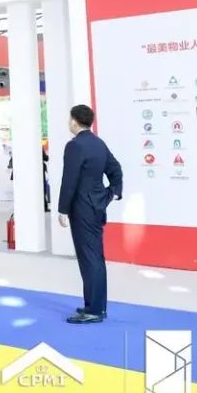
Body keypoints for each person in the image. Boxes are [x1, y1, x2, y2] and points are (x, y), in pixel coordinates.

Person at [58, 104, 123, 325]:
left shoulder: (74, 146)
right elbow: (116, 169)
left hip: (82, 207)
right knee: (95, 257)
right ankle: (96, 306)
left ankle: (94, 310)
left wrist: (63, 209)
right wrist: (112, 193)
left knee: (89, 259)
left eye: (69, 119)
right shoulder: (98, 143)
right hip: (96, 205)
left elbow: (69, 180)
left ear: (74, 121)